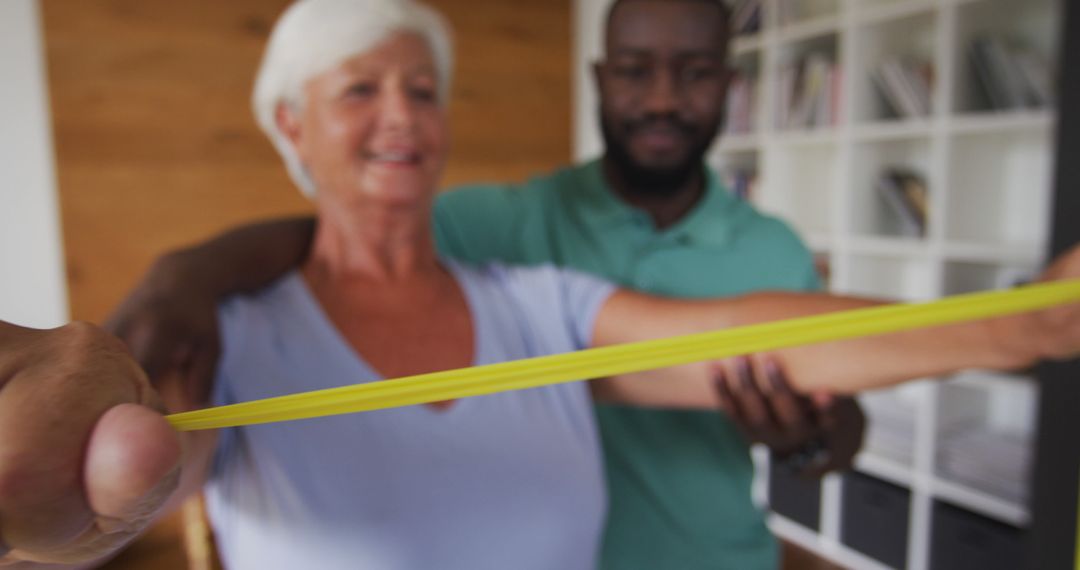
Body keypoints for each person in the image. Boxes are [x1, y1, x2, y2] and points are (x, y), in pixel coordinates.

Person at [7, 1, 1080, 569]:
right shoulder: (236, 327)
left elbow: (750, 337)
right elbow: (148, 470)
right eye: (361, 90)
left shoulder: (535, 295)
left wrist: (1027, 327)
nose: (402, 117)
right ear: (291, 125)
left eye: (423, 90)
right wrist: (78, 496)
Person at [112, 1, 861, 567]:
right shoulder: (497, 223)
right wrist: (186, 275)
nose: (663, 99)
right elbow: (345, 233)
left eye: (695, 74)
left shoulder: (774, 248)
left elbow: (839, 413)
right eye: (635, 71)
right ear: (600, 78)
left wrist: (808, 442)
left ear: (730, 86)